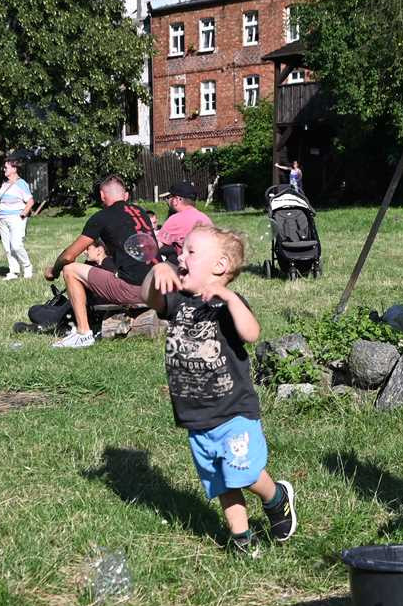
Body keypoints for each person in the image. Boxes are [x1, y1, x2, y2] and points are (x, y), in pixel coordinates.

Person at [141, 224, 298, 556]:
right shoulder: (179, 301)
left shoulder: (228, 302)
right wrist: (156, 272)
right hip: (196, 417)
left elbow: (252, 333)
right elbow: (149, 299)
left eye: (190, 252)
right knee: (223, 483)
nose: (180, 256)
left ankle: (276, 498)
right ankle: (241, 538)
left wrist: (228, 297)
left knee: (246, 473)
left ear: (220, 266)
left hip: (233, 412)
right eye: (181, 251)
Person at [45, 175, 156, 348]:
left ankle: (83, 333)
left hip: (134, 290)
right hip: (157, 287)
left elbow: (69, 256)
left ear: (102, 195)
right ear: (124, 195)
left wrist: (53, 271)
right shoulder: (141, 212)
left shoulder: (102, 217)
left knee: (71, 270)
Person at [0, 157, 35, 280]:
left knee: (16, 245)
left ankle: (27, 267)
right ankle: (14, 271)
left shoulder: (21, 183)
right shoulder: (4, 183)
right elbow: (0, 203)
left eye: (6, 167)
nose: (4, 169)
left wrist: (23, 214)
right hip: (2, 219)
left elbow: (30, 201)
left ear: (14, 168)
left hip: (16, 219)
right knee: (7, 247)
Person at [155, 181, 213, 259]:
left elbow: (154, 247)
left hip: (188, 266)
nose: (167, 202)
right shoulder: (205, 218)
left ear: (177, 200)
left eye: (168, 198)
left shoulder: (175, 220)